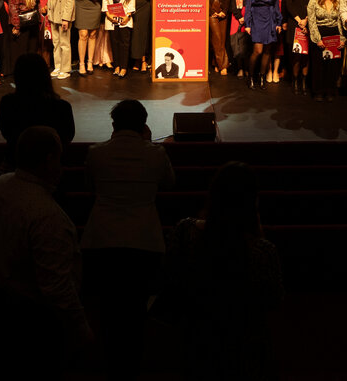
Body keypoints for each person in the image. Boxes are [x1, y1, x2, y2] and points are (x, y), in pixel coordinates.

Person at [0, 126, 90, 377]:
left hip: (0, 296)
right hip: (34, 314)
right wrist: (80, 327)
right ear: (50, 160)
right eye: (60, 158)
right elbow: (56, 285)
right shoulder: (47, 215)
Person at [80, 100, 175, 379]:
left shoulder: (96, 153)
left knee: (108, 309)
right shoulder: (156, 154)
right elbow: (169, 183)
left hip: (102, 239)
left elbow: (88, 186)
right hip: (144, 240)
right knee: (136, 310)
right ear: (144, 126)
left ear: (113, 125)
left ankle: (110, 363)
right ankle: (133, 364)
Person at [162, 162, 282, 380]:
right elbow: (272, 299)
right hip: (244, 346)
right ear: (252, 202)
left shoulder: (186, 231)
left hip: (196, 338)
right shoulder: (262, 250)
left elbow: (170, 277)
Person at [0, 55, 74, 170]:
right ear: (45, 76)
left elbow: (5, 130)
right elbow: (67, 136)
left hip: (16, 164)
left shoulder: (8, 104)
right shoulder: (62, 107)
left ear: (17, 77)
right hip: (50, 167)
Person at [306, 0, 344, 101]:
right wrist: (318, 39)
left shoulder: (337, 1)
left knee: (332, 65)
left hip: (334, 34)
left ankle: (330, 91)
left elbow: (339, 21)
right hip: (320, 33)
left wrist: (342, 39)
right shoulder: (313, 1)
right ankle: (318, 91)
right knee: (318, 65)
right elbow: (312, 22)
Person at [244, 0, 281, 88]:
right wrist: (247, 24)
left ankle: (262, 77)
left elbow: (276, 6)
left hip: (270, 19)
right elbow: (248, 6)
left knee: (267, 51)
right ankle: (250, 77)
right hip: (257, 19)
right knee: (258, 51)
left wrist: (278, 22)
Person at [102, 0, 136, 78]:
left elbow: (131, 1)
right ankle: (116, 66)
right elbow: (105, 1)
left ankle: (124, 67)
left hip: (125, 17)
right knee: (114, 43)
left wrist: (128, 16)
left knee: (124, 44)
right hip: (111, 18)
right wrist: (108, 14)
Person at [46, 0, 77, 80]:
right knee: (56, 42)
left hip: (63, 14)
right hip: (53, 13)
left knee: (64, 43)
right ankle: (58, 66)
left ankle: (65, 69)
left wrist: (66, 18)